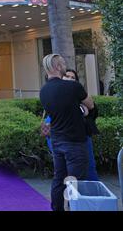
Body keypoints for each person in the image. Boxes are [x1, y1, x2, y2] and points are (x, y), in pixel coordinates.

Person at [40, 54, 94, 211]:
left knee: (58, 178)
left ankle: (57, 208)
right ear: (57, 67)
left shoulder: (43, 91)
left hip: (57, 140)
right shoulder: (73, 86)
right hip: (75, 142)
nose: (65, 66)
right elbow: (90, 105)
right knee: (76, 181)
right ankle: (75, 208)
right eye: (63, 63)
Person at [63, 69, 99, 181]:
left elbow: (93, 110)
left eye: (72, 77)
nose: (69, 79)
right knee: (68, 170)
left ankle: (94, 195)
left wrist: (85, 111)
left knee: (89, 165)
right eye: (67, 76)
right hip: (65, 138)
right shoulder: (57, 94)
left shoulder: (80, 94)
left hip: (83, 135)